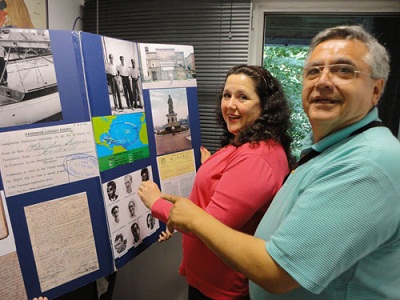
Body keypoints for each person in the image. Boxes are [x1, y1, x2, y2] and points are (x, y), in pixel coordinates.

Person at [159, 25, 400, 299]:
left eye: (343, 70)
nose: (322, 81)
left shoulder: (366, 165)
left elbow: (279, 272)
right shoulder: (333, 146)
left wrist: (191, 217)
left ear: (376, 90)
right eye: (313, 70)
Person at [138, 64, 293, 299]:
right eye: (227, 95)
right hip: (208, 277)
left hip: (220, 288)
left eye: (243, 97)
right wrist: (213, 167)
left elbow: (208, 226)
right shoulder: (245, 141)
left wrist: (156, 203)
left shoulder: (257, 158)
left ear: (265, 105)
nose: (230, 104)